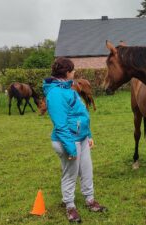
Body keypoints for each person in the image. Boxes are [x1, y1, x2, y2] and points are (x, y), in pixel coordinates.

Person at [43, 57, 106, 223]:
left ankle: (90, 200)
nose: (75, 72)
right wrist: (70, 148)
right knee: (70, 174)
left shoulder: (69, 89)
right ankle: (70, 207)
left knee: (87, 170)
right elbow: (61, 125)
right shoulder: (55, 94)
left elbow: (82, 114)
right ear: (66, 72)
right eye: (73, 70)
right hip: (68, 141)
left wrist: (89, 135)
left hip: (81, 138)